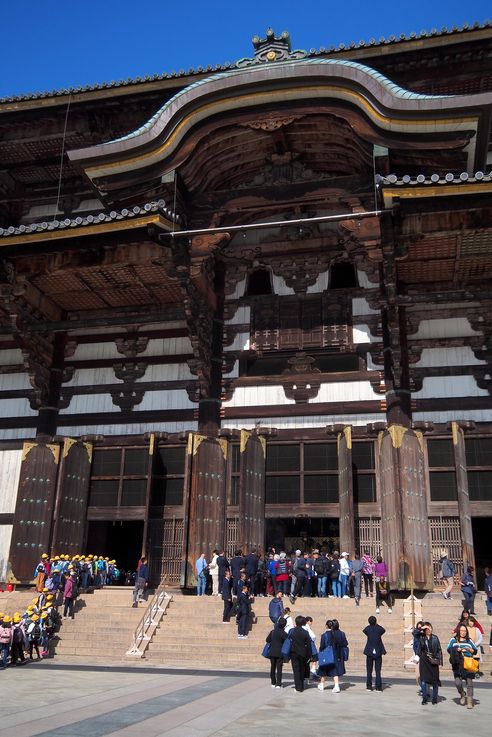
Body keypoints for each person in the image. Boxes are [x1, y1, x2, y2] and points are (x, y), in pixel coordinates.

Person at [448, 624, 478, 709]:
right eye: (461, 630)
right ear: (458, 631)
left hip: (467, 663)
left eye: (464, 631)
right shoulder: (453, 640)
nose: (463, 632)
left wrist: (468, 649)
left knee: (469, 683)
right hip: (457, 664)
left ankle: (469, 702)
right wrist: (456, 649)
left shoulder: (469, 640)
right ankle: (462, 693)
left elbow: (475, 650)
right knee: (457, 682)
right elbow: (448, 649)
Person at [317, 619, 348, 693]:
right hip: (337, 655)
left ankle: (321, 684)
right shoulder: (340, 633)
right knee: (334, 671)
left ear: (326, 626)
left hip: (327, 654)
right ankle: (336, 686)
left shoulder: (325, 635)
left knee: (323, 669)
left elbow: (322, 646)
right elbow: (345, 643)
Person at [415, 622, 442, 705]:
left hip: (433, 660)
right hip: (424, 660)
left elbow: (439, 650)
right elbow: (415, 633)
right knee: (423, 681)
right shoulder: (421, 637)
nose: (429, 629)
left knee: (435, 681)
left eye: (430, 628)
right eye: (427, 628)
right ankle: (424, 698)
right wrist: (422, 628)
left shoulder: (435, 638)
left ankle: (434, 698)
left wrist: (439, 660)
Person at [289, 615, 312, 692]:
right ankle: (301, 686)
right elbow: (309, 644)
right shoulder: (305, 632)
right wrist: (309, 655)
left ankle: (297, 686)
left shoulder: (292, 631)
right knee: (302, 669)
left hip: (294, 652)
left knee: (296, 670)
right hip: (303, 653)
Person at [363, 615, 386, 691]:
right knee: (378, 670)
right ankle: (378, 687)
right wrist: (376, 624)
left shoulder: (367, 629)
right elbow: (383, 630)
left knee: (369, 670)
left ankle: (369, 686)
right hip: (378, 650)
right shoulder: (379, 629)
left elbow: (365, 631)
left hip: (369, 651)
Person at [265, 616, 288, 688]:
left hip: (272, 652)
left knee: (272, 667)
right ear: (284, 625)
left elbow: (267, 640)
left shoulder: (273, 632)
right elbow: (287, 643)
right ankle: (278, 683)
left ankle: (273, 682)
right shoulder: (284, 633)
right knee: (279, 668)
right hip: (280, 653)